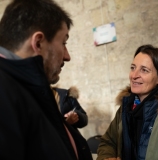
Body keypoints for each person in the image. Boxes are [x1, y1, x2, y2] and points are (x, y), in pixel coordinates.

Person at [0, 0, 92, 159]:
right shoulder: (5, 92)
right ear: (38, 43)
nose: (67, 56)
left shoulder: (24, 88)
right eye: (63, 43)